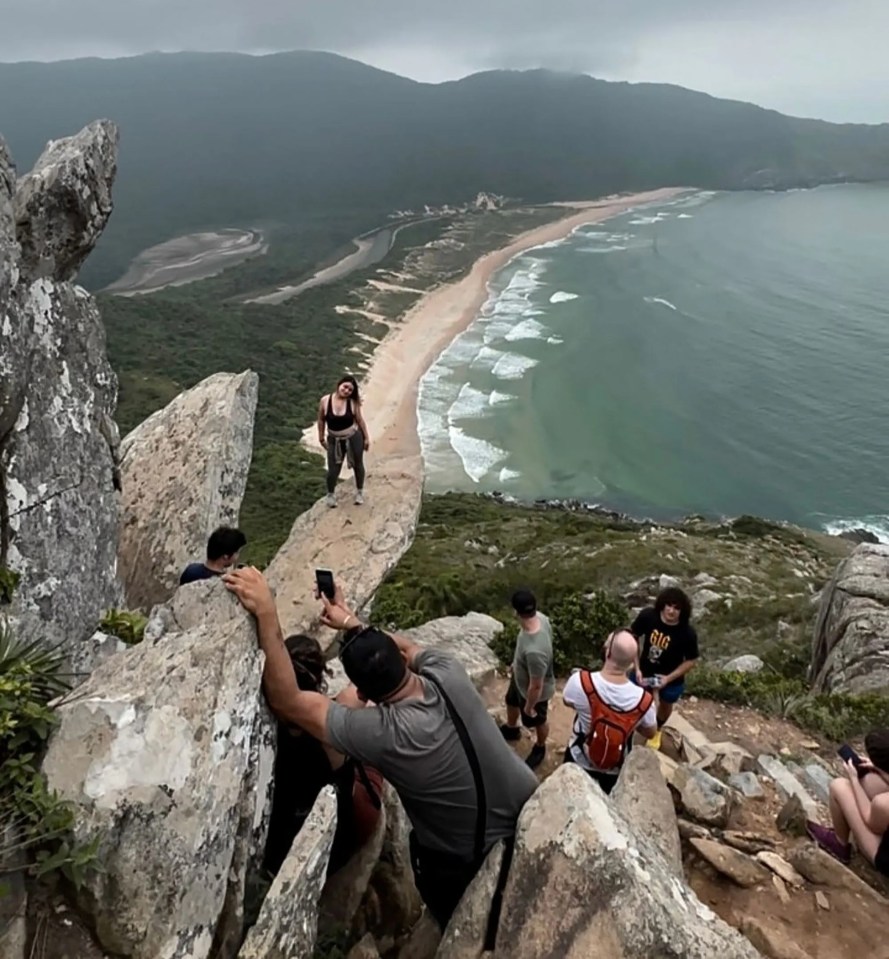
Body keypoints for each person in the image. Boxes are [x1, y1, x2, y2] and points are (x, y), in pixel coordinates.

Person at [222, 566, 537, 931]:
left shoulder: (383, 732)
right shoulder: (446, 670)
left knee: (463, 923)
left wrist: (266, 611)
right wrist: (351, 621)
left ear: (364, 695)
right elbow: (403, 646)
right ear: (402, 661)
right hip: (528, 810)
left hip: (466, 858)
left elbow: (287, 700)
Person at [264, 634, 383, 877]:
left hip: (277, 855)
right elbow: (371, 676)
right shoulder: (333, 716)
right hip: (335, 850)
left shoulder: (265, 721)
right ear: (321, 676)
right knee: (369, 748)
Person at [562, 629, 658, 794]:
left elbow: (567, 701)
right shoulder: (644, 700)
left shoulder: (580, 682)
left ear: (607, 653)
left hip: (579, 758)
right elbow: (651, 732)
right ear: (630, 664)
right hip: (614, 768)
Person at [806, 730, 889, 875]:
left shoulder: (883, 803)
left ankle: (840, 843)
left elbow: (870, 821)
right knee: (871, 781)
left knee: (839, 786)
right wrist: (878, 769)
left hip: (885, 858)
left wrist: (854, 779)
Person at [631, 586, 700, 750]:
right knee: (634, 698)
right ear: (662, 604)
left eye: (677, 608)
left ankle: (657, 730)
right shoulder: (648, 616)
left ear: (682, 611)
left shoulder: (687, 633)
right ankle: (630, 725)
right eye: (668, 605)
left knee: (665, 704)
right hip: (645, 670)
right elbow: (633, 637)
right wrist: (637, 667)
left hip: (671, 678)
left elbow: (691, 660)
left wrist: (668, 679)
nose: (671, 611)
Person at [499, 589, 555, 770]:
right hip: (521, 679)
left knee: (538, 720)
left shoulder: (535, 651)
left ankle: (540, 746)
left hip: (534, 692)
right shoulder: (541, 618)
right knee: (510, 701)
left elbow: (536, 685)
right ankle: (512, 728)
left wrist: (530, 707)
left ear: (516, 612)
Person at [317, 374, 370, 507]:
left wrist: (367, 438)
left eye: (350, 390)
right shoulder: (325, 400)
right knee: (333, 469)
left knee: (358, 464)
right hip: (334, 440)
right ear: (339, 385)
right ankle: (330, 495)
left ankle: (359, 492)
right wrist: (321, 437)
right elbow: (321, 419)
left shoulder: (352, 403)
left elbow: (360, 420)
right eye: (345, 387)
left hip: (353, 437)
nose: (346, 391)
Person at [179, 526, 247, 585]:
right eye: (237, 552)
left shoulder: (190, 571)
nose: (238, 556)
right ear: (225, 556)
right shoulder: (226, 584)